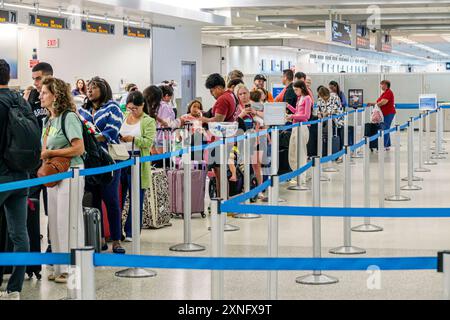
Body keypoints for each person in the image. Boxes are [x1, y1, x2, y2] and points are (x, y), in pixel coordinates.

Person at [40, 76, 85, 283]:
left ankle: (71, 268)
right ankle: (59, 266)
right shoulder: (49, 121)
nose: (40, 96)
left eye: (45, 92)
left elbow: (79, 148)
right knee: (55, 221)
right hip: (55, 174)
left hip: (71, 172)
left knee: (68, 219)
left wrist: (50, 153)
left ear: (55, 96)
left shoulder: (69, 117)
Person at [78, 77, 125, 254]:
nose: (90, 90)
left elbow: (112, 131)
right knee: (93, 200)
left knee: (111, 200)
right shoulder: (82, 111)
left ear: (104, 89)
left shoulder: (112, 107)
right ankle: (98, 239)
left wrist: (90, 139)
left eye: (94, 87)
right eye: (88, 88)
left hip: (109, 161)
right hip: (89, 161)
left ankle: (116, 240)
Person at [0, 59, 31, 300]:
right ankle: (15, 289)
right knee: (20, 234)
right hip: (22, 176)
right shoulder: (21, 100)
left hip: (1, 175)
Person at [119, 90, 156, 241]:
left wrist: (133, 139)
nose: (133, 111)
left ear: (142, 105)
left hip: (138, 161)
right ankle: (115, 230)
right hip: (120, 160)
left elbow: (148, 142)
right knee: (118, 197)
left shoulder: (148, 121)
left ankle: (131, 232)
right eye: (130, 108)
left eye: (135, 108)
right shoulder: (123, 117)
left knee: (136, 198)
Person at [201, 73, 240, 196]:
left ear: (218, 87)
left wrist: (203, 119)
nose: (212, 94)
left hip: (221, 140)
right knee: (220, 172)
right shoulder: (231, 95)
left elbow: (218, 120)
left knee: (220, 172)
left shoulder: (222, 99)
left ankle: (222, 199)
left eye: (212, 91)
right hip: (228, 138)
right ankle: (222, 198)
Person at [28, 62, 52, 252]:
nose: (35, 83)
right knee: (32, 204)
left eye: (39, 78)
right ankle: (33, 247)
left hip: (53, 160)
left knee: (51, 205)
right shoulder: (33, 97)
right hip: (35, 160)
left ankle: (54, 244)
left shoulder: (57, 95)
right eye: (34, 78)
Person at [234, 84, 265, 200]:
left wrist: (254, 112)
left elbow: (264, 118)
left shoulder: (254, 105)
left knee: (256, 164)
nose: (243, 96)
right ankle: (244, 188)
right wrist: (242, 115)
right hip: (240, 140)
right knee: (243, 165)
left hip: (254, 138)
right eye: (240, 94)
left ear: (249, 93)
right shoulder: (236, 108)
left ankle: (260, 189)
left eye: (245, 93)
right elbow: (233, 122)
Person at [286, 80, 312, 183]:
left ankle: (301, 177)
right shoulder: (299, 98)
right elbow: (297, 112)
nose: (295, 92)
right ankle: (296, 174)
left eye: (296, 89)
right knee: (293, 152)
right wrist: (288, 107)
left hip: (302, 128)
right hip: (295, 127)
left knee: (301, 153)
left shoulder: (307, 98)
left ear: (302, 88)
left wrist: (292, 116)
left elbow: (306, 116)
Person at [367, 80, 396, 150]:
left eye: (382, 84)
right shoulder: (384, 93)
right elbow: (379, 102)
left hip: (388, 113)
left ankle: (384, 145)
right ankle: (387, 145)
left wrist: (376, 105)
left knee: (385, 128)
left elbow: (383, 102)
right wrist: (372, 103)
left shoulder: (388, 92)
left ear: (386, 85)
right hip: (385, 114)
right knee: (386, 128)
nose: (381, 86)